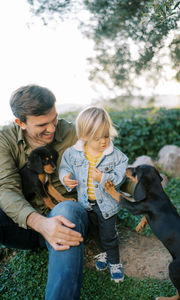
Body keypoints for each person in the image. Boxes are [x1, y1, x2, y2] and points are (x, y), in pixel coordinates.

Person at [0, 84, 88, 300]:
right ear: (20, 123)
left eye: (54, 119)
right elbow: (6, 188)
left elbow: (107, 162)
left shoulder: (71, 132)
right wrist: (42, 224)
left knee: (65, 211)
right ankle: (48, 237)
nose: (52, 128)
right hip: (26, 225)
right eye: (42, 124)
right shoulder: (5, 140)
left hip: (65, 212)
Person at [59, 106, 128, 283]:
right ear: (84, 136)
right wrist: (65, 179)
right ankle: (103, 254)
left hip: (107, 205)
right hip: (86, 204)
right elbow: (66, 168)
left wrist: (105, 177)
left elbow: (120, 175)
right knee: (95, 233)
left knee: (108, 235)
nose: (104, 141)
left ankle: (114, 262)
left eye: (106, 135)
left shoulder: (115, 156)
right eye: (98, 138)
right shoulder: (73, 154)